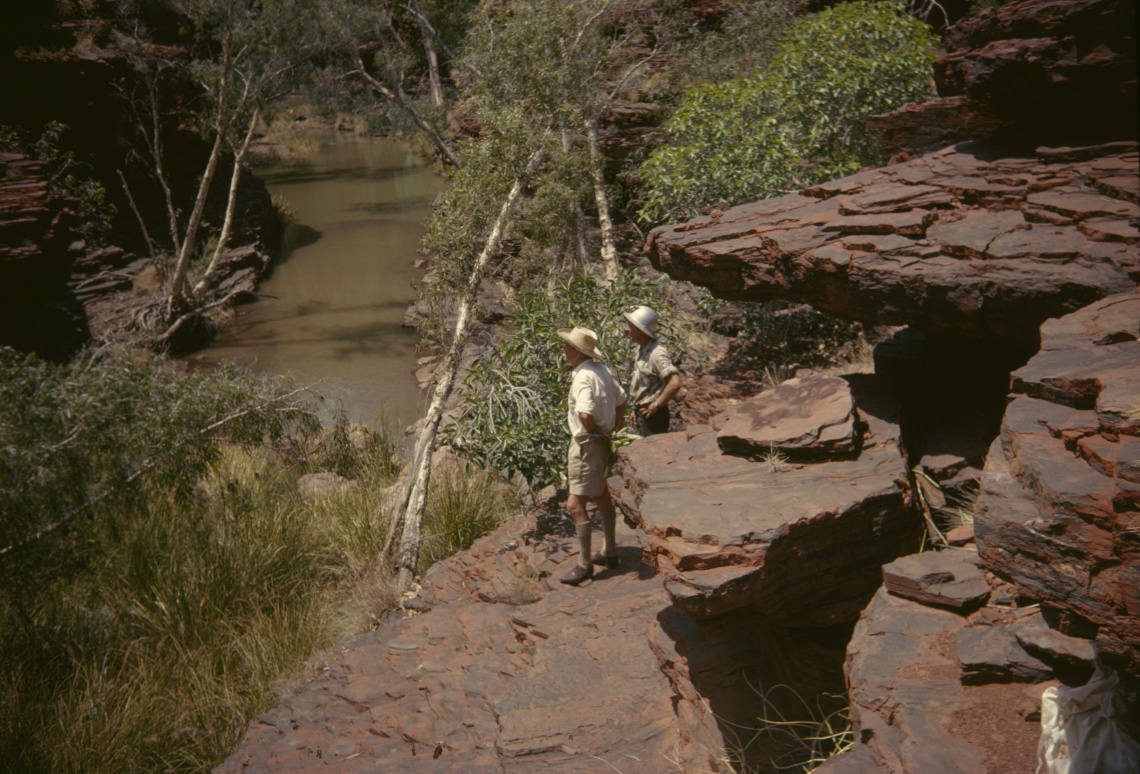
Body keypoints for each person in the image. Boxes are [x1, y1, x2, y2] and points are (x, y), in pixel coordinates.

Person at [556, 326, 627, 586]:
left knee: (575, 505)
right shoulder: (601, 371)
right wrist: (613, 429)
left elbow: (585, 414)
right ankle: (609, 551)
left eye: (566, 346)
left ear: (576, 352)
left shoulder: (582, 377)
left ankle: (584, 565)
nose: (563, 350)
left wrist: (590, 431)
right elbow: (622, 400)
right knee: (602, 495)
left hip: (586, 445)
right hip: (603, 442)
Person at [624, 306, 682, 436]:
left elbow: (675, 382)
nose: (626, 329)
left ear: (640, 330)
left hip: (654, 416)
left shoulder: (657, 354)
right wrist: (635, 409)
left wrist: (656, 405)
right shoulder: (641, 349)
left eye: (630, 326)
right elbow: (643, 384)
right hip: (643, 412)